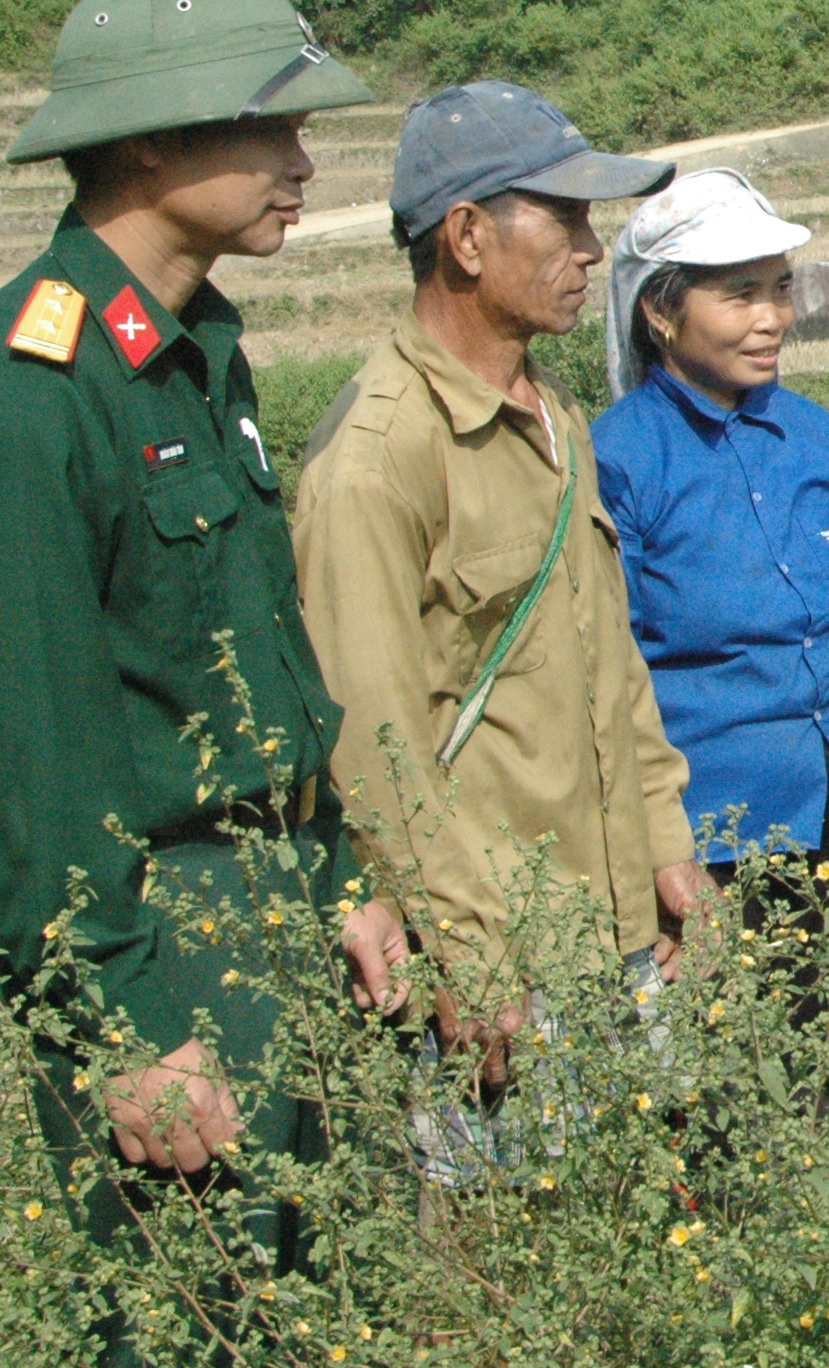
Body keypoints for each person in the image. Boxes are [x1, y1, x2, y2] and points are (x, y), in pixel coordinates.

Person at [0, 0, 406, 1336]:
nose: (304, 161)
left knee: (319, 1317)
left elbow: (254, 661)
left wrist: (340, 869)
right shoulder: (22, 402)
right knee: (189, 1321)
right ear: (149, 138)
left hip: (281, 907)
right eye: (270, 127)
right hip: (159, 944)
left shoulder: (190, 354)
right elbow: (28, 754)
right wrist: (119, 1036)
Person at [291, 81, 701, 1169]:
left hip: (619, 934)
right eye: (562, 219)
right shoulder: (378, 456)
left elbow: (612, 668)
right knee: (510, 1273)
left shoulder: (553, 414)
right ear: (467, 237)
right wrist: (467, 959)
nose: (589, 247)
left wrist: (666, 846)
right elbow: (373, 740)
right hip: (507, 965)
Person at [593, 169, 829, 1028]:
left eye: (780, 289)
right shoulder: (621, 460)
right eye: (739, 295)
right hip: (707, 840)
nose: (772, 318)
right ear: (661, 311)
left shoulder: (818, 440)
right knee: (722, 1085)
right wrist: (658, 849)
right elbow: (609, 672)